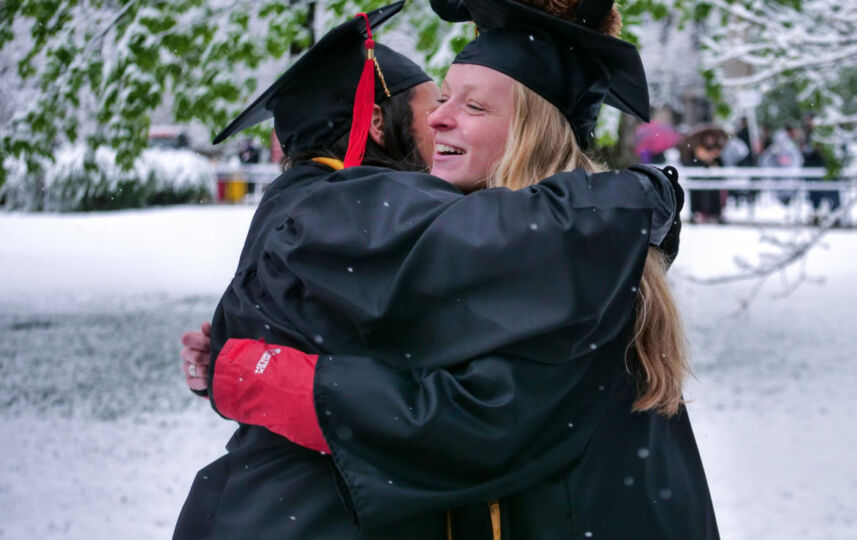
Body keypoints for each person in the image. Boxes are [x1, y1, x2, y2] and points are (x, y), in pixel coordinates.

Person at [176, 1, 714, 538]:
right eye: (441, 98)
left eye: (473, 107)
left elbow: (468, 423)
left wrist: (271, 379)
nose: (438, 117)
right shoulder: (497, 251)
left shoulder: (579, 272)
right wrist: (246, 343)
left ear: (532, 131)